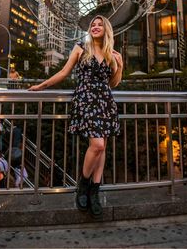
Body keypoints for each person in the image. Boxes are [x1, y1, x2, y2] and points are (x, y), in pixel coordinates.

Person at [29, 15, 123, 218]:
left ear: (106, 29)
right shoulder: (81, 47)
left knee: (102, 146)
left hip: (105, 101)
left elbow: (113, 83)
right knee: (97, 145)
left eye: (100, 25)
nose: (96, 27)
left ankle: (94, 191)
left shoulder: (110, 53)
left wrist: (120, 65)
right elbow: (64, 72)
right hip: (86, 100)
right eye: (93, 25)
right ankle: (83, 184)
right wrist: (41, 86)